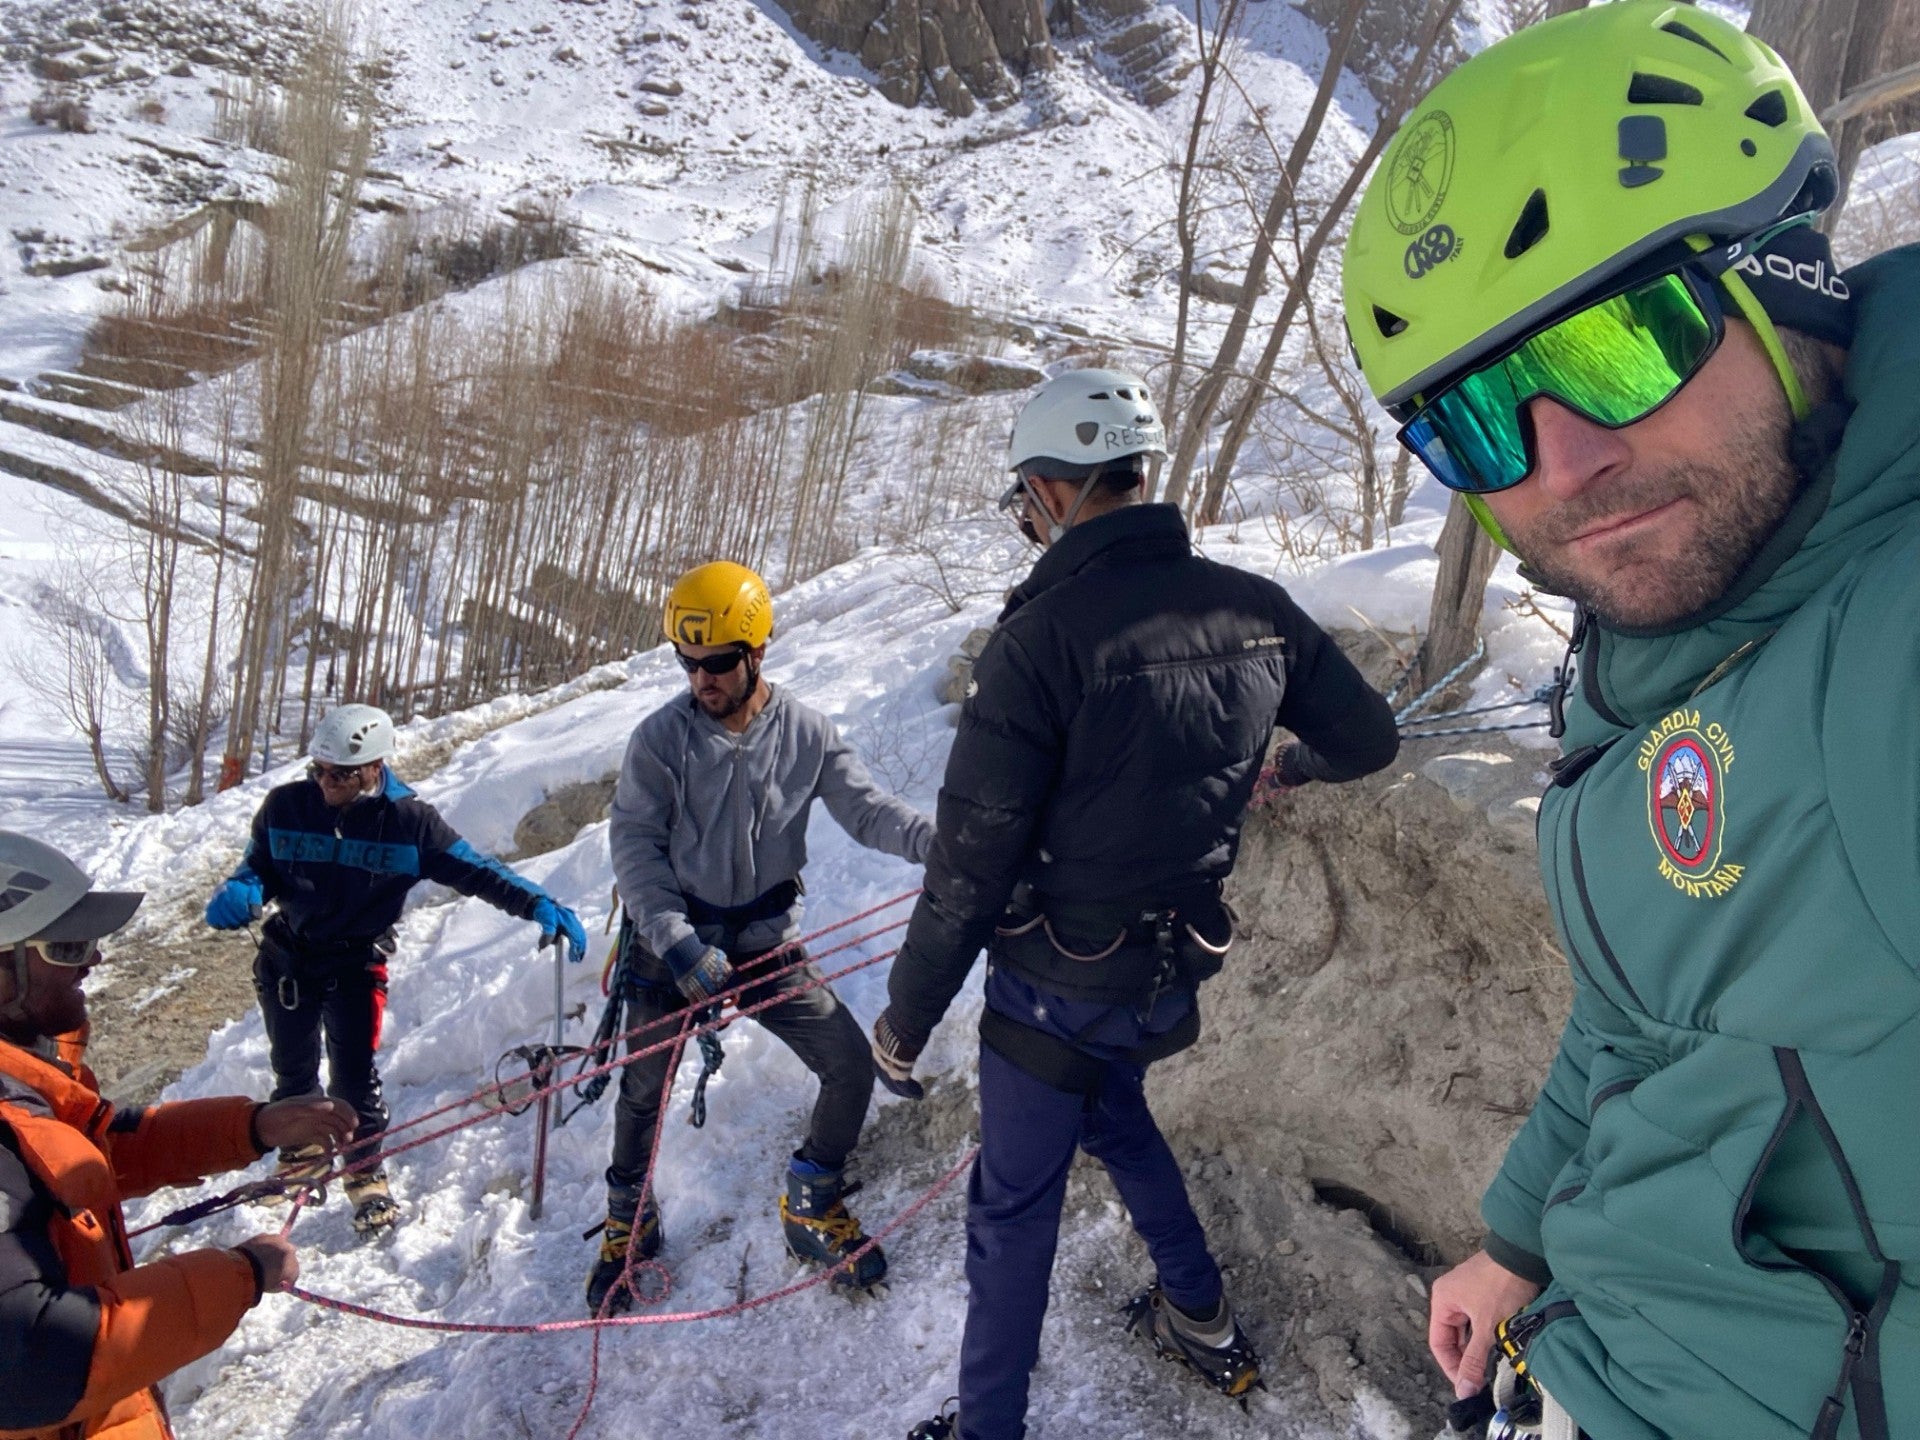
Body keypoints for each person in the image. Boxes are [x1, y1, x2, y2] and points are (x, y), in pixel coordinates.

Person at [1341, 4, 1915, 1437]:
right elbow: (1646, 1004)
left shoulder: (1878, 639)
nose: (1564, 467)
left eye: (1617, 345)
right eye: (1477, 420)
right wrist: (1522, 1232)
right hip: (1584, 1354)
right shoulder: (1664, 647)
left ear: (1789, 290)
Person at [876, 368, 1401, 1440]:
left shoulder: (1036, 642)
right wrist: (1284, 768)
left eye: (1027, 494)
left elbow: (972, 866)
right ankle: (1199, 1315)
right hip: (1168, 977)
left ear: (1056, 491)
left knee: (1011, 1214)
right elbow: (1370, 738)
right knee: (1114, 1112)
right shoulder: (1253, 609)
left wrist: (904, 1020)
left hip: (1053, 987)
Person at [589, 560, 934, 1314]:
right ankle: (629, 1222)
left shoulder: (805, 732)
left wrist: (942, 848)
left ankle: (811, 1199)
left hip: (766, 946)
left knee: (848, 1064)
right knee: (642, 1090)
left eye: (716, 663)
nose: (701, 679)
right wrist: (677, 942)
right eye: (688, 663)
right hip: (671, 946)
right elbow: (636, 847)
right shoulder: (660, 741)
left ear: (757, 652)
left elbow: (870, 811)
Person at [0, 830, 357, 1440]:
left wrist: (252, 1126)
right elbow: (26, 1364)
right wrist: (238, 1275)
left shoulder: (23, 1077)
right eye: (65, 945)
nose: (94, 959)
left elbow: (89, 1155)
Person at [204, 703, 587, 1234]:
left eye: (339, 774)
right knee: (292, 1066)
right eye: (318, 770)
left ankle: (364, 1172)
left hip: (356, 963)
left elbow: (479, 871)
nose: (325, 783)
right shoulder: (286, 805)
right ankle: (300, 1156)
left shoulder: (410, 824)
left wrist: (539, 904)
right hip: (289, 957)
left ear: (373, 768)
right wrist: (242, 889)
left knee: (354, 1073)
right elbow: (257, 867)